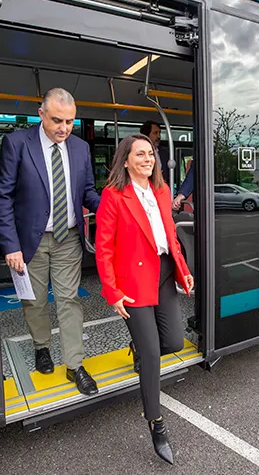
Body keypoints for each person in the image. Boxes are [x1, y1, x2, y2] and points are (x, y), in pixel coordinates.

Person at [0, 88, 101, 395]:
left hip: (68, 237)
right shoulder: (17, 144)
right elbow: (1, 197)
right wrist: (10, 245)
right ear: (41, 114)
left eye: (69, 121)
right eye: (57, 120)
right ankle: (41, 346)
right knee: (35, 301)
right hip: (30, 242)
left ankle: (75, 365)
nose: (64, 128)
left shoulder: (80, 148)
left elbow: (88, 192)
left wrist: (110, 208)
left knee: (69, 300)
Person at [94, 134, 194, 465]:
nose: (148, 159)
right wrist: (112, 291)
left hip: (165, 274)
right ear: (125, 160)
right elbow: (104, 248)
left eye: (150, 154)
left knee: (176, 342)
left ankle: (140, 348)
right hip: (133, 281)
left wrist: (183, 270)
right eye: (140, 154)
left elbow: (170, 236)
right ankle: (157, 423)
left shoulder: (162, 192)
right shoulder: (114, 195)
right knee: (152, 356)